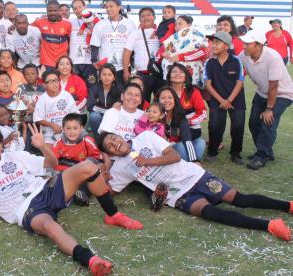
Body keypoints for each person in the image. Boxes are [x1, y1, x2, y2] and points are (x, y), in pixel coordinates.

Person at [0, 125, 141, 275]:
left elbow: (52, 162)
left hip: (44, 188)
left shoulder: (15, 156)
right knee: (50, 226)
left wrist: (43, 146)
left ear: (1, 144)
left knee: (88, 167)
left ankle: (113, 214)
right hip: (27, 210)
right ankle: (91, 260)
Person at [97, 130, 293, 243]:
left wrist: (148, 161)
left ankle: (287, 206)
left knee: (238, 199)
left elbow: (175, 156)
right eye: (109, 146)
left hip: (195, 176)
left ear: (120, 136)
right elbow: (110, 192)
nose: (114, 144)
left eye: (114, 139)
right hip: (177, 195)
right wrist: (98, 178)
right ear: (110, 153)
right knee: (211, 213)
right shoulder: (120, 168)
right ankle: (269, 225)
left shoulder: (145, 137)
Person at [238, 30, 293, 170]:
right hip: (262, 92)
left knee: (268, 122)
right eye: (244, 43)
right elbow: (233, 64)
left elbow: (274, 85)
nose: (244, 46)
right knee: (253, 122)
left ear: (259, 45)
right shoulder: (244, 55)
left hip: (282, 93)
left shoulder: (273, 57)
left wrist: (269, 109)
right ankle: (267, 152)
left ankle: (261, 156)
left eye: (247, 44)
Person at [204, 31, 245, 164]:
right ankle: (212, 151)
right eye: (212, 43)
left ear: (226, 46)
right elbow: (208, 85)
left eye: (217, 43)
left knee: (238, 126)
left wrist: (229, 100)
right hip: (217, 99)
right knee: (216, 125)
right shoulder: (209, 62)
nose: (213, 45)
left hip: (236, 99)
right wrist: (222, 100)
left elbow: (240, 82)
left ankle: (236, 153)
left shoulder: (236, 60)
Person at [53, 113, 101, 205]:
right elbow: (54, 159)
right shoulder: (59, 142)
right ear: (63, 129)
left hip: (81, 170)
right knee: (59, 181)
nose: (72, 131)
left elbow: (97, 156)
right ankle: (66, 193)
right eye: (68, 128)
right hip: (65, 170)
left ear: (81, 128)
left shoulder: (87, 140)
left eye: (75, 128)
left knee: (89, 180)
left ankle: (80, 194)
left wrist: (86, 164)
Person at [90, 0, 137, 85]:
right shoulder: (100, 25)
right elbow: (94, 45)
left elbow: (133, 48)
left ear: (119, 7)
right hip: (106, 68)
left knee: (122, 94)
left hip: (123, 68)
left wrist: (131, 66)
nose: (108, 9)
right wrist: (94, 60)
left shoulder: (130, 24)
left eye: (111, 6)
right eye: (106, 7)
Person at [123, 7, 164, 101]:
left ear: (154, 17)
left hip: (160, 75)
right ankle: (144, 117)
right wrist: (126, 71)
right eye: (143, 16)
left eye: (149, 15)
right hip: (142, 76)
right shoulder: (135, 33)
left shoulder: (162, 32)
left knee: (162, 104)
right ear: (139, 19)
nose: (146, 18)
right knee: (141, 104)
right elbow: (127, 52)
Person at [155, 87, 201, 162]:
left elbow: (187, 140)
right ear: (158, 101)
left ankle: (192, 163)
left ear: (175, 100)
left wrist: (195, 160)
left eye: (170, 97)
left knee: (200, 143)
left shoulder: (181, 117)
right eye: (163, 98)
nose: (166, 101)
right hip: (161, 149)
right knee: (181, 147)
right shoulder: (153, 116)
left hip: (176, 144)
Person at [161, 15, 208, 88]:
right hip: (172, 80)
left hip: (190, 79)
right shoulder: (172, 38)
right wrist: (164, 55)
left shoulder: (196, 35)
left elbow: (201, 53)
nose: (177, 26)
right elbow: (163, 53)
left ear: (188, 25)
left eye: (180, 24)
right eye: (176, 24)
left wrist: (180, 57)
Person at [33, 70, 79, 145]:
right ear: (44, 85)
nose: (55, 83)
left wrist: (65, 128)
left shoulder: (66, 95)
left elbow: (75, 114)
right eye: (51, 81)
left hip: (69, 133)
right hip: (49, 135)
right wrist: (51, 125)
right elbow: (38, 119)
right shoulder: (42, 99)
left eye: (56, 80)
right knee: (52, 155)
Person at [87, 63, 122, 137]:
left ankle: (112, 137)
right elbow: (90, 106)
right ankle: (98, 138)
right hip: (99, 115)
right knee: (94, 116)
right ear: (99, 76)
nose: (106, 77)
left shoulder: (119, 88)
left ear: (114, 77)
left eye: (109, 75)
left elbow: (122, 101)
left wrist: (119, 102)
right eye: (104, 74)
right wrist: (108, 110)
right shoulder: (94, 88)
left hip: (113, 116)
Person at [70, 0, 98, 88]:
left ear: (84, 7)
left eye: (80, 7)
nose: (78, 10)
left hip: (90, 61)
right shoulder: (70, 22)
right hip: (74, 62)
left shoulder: (95, 20)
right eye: (75, 8)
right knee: (76, 89)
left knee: (92, 88)